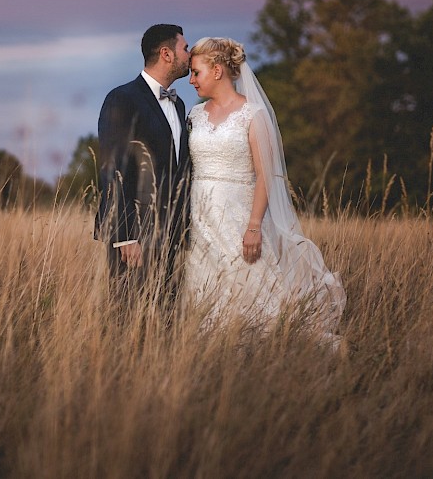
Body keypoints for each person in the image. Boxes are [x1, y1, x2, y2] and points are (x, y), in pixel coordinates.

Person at [183, 37, 345, 343]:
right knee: (207, 292)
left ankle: (280, 345)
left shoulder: (252, 114)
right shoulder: (195, 116)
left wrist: (254, 226)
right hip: (201, 221)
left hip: (239, 218)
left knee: (253, 290)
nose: (191, 80)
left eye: (196, 72)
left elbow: (266, 175)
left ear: (217, 70)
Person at [95, 24, 192, 310]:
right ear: (166, 54)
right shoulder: (122, 98)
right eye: (184, 48)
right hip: (136, 232)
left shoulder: (179, 105)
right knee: (129, 316)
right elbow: (114, 169)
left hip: (172, 232)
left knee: (167, 316)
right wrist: (124, 235)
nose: (190, 54)